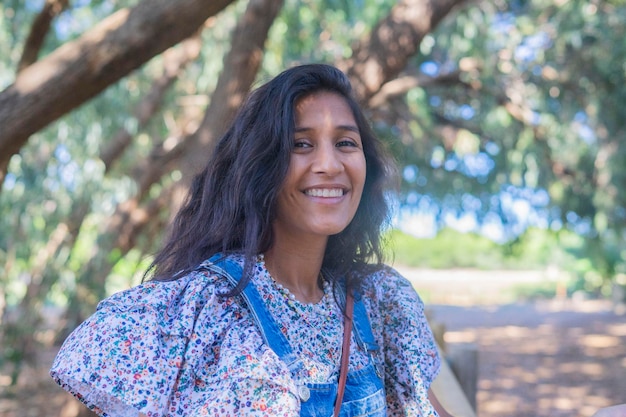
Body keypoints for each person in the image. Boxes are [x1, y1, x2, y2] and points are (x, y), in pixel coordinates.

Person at [50, 64, 625, 417]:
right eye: (301, 144)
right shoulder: (203, 306)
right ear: (261, 165)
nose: (329, 164)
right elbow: (82, 359)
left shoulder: (380, 301)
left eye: (345, 143)